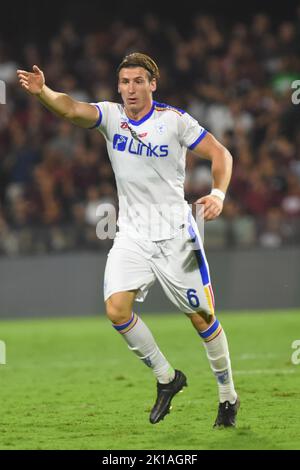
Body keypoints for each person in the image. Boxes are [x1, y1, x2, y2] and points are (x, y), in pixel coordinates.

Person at [17, 52, 239, 427]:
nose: (130, 89)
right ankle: (168, 378)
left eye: (138, 81)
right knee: (117, 310)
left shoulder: (175, 121)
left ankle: (227, 396)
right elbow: (71, 109)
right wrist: (43, 93)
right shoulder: (112, 117)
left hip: (175, 235)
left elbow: (220, 153)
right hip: (132, 234)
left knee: (202, 318)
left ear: (153, 84)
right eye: (124, 82)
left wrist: (217, 194)